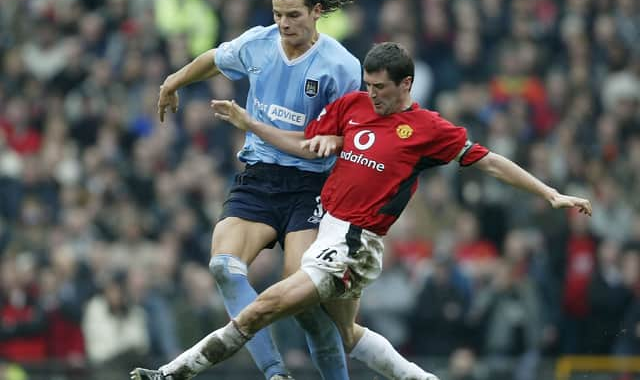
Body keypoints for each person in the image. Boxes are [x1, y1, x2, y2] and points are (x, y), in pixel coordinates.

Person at [131, 43, 592, 380]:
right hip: (324, 228)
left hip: (355, 243)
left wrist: (549, 193)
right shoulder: (351, 105)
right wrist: (251, 124)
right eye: (368, 86)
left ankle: (172, 373)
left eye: (381, 89)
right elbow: (303, 145)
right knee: (346, 333)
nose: (371, 95)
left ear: (406, 84)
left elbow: (488, 160)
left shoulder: (428, 128)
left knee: (264, 307)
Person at [149, 0, 363, 380]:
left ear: (316, 13)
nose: (284, 24)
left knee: (300, 296)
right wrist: (173, 80)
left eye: (293, 16)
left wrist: (325, 145)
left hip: (312, 187)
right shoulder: (259, 43)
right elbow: (214, 57)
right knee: (223, 267)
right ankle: (274, 373)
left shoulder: (341, 66)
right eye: (277, 14)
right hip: (259, 178)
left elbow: (351, 134)